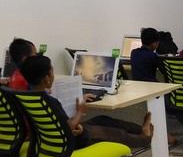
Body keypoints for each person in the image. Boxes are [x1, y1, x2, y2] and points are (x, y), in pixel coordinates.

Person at [20, 55, 153, 150]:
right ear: (47, 79)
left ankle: (140, 129)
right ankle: (145, 139)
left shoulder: (28, 96)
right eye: (52, 72)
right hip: (69, 140)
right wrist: (80, 112)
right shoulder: (50, 101)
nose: (54, 75)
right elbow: (69, 128)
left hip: (52, 137)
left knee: (102, 119)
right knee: (115, 134)